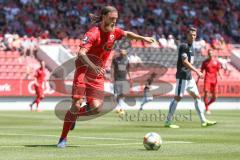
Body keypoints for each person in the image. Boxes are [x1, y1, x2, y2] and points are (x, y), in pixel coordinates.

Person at [57, 5, 155, 148]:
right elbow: (81, 54)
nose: (114, 21)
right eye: (111, 18)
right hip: (84, 72)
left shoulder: (114, 32)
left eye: (116, 19)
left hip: (97, 75)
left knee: (96, 108)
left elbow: (127, 33)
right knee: (76, 104)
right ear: (103, 17)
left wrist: (142, 38)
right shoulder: (93, 33)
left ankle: (74, 116)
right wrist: (93, 67)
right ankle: (63, 139)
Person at [164, 27, 217, 129]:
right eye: (190, 35)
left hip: (189, 77)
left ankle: (203, 121)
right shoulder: (184, 46)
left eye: (194, 35)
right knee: (177, 98)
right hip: (182, 76)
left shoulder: (191, 47)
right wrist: (197, 71)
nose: (192, 36)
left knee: (197, 97)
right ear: (187, 35)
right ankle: (168, 121)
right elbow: (185, 61)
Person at [201, 49, 222, 115]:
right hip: (207, 79)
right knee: (206, 94)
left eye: (211, 53)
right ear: (208, 54)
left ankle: (207, 105)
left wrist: (220, 75)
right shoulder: (205, 62)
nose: (210, 54)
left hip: (214, 80)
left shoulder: (216, 62)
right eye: (209, 53)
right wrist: (199, 76)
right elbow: (201, 71)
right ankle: (207, 109)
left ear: (213, 54)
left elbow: (218, 70)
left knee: (215, 97)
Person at [111, 49, 131, 115]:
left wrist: (130, 78)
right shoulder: (115, 59)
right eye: (121, 51)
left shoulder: (127, 60)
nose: (122, 52)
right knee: (116, 94)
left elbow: (128, 69)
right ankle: (119, 107)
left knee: (123, 93)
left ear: (125, 52)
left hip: (124, 79)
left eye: (124, 51)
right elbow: (112, 68)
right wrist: (112, 77)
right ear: (119, 52)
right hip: (117, 79)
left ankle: (119, 106)